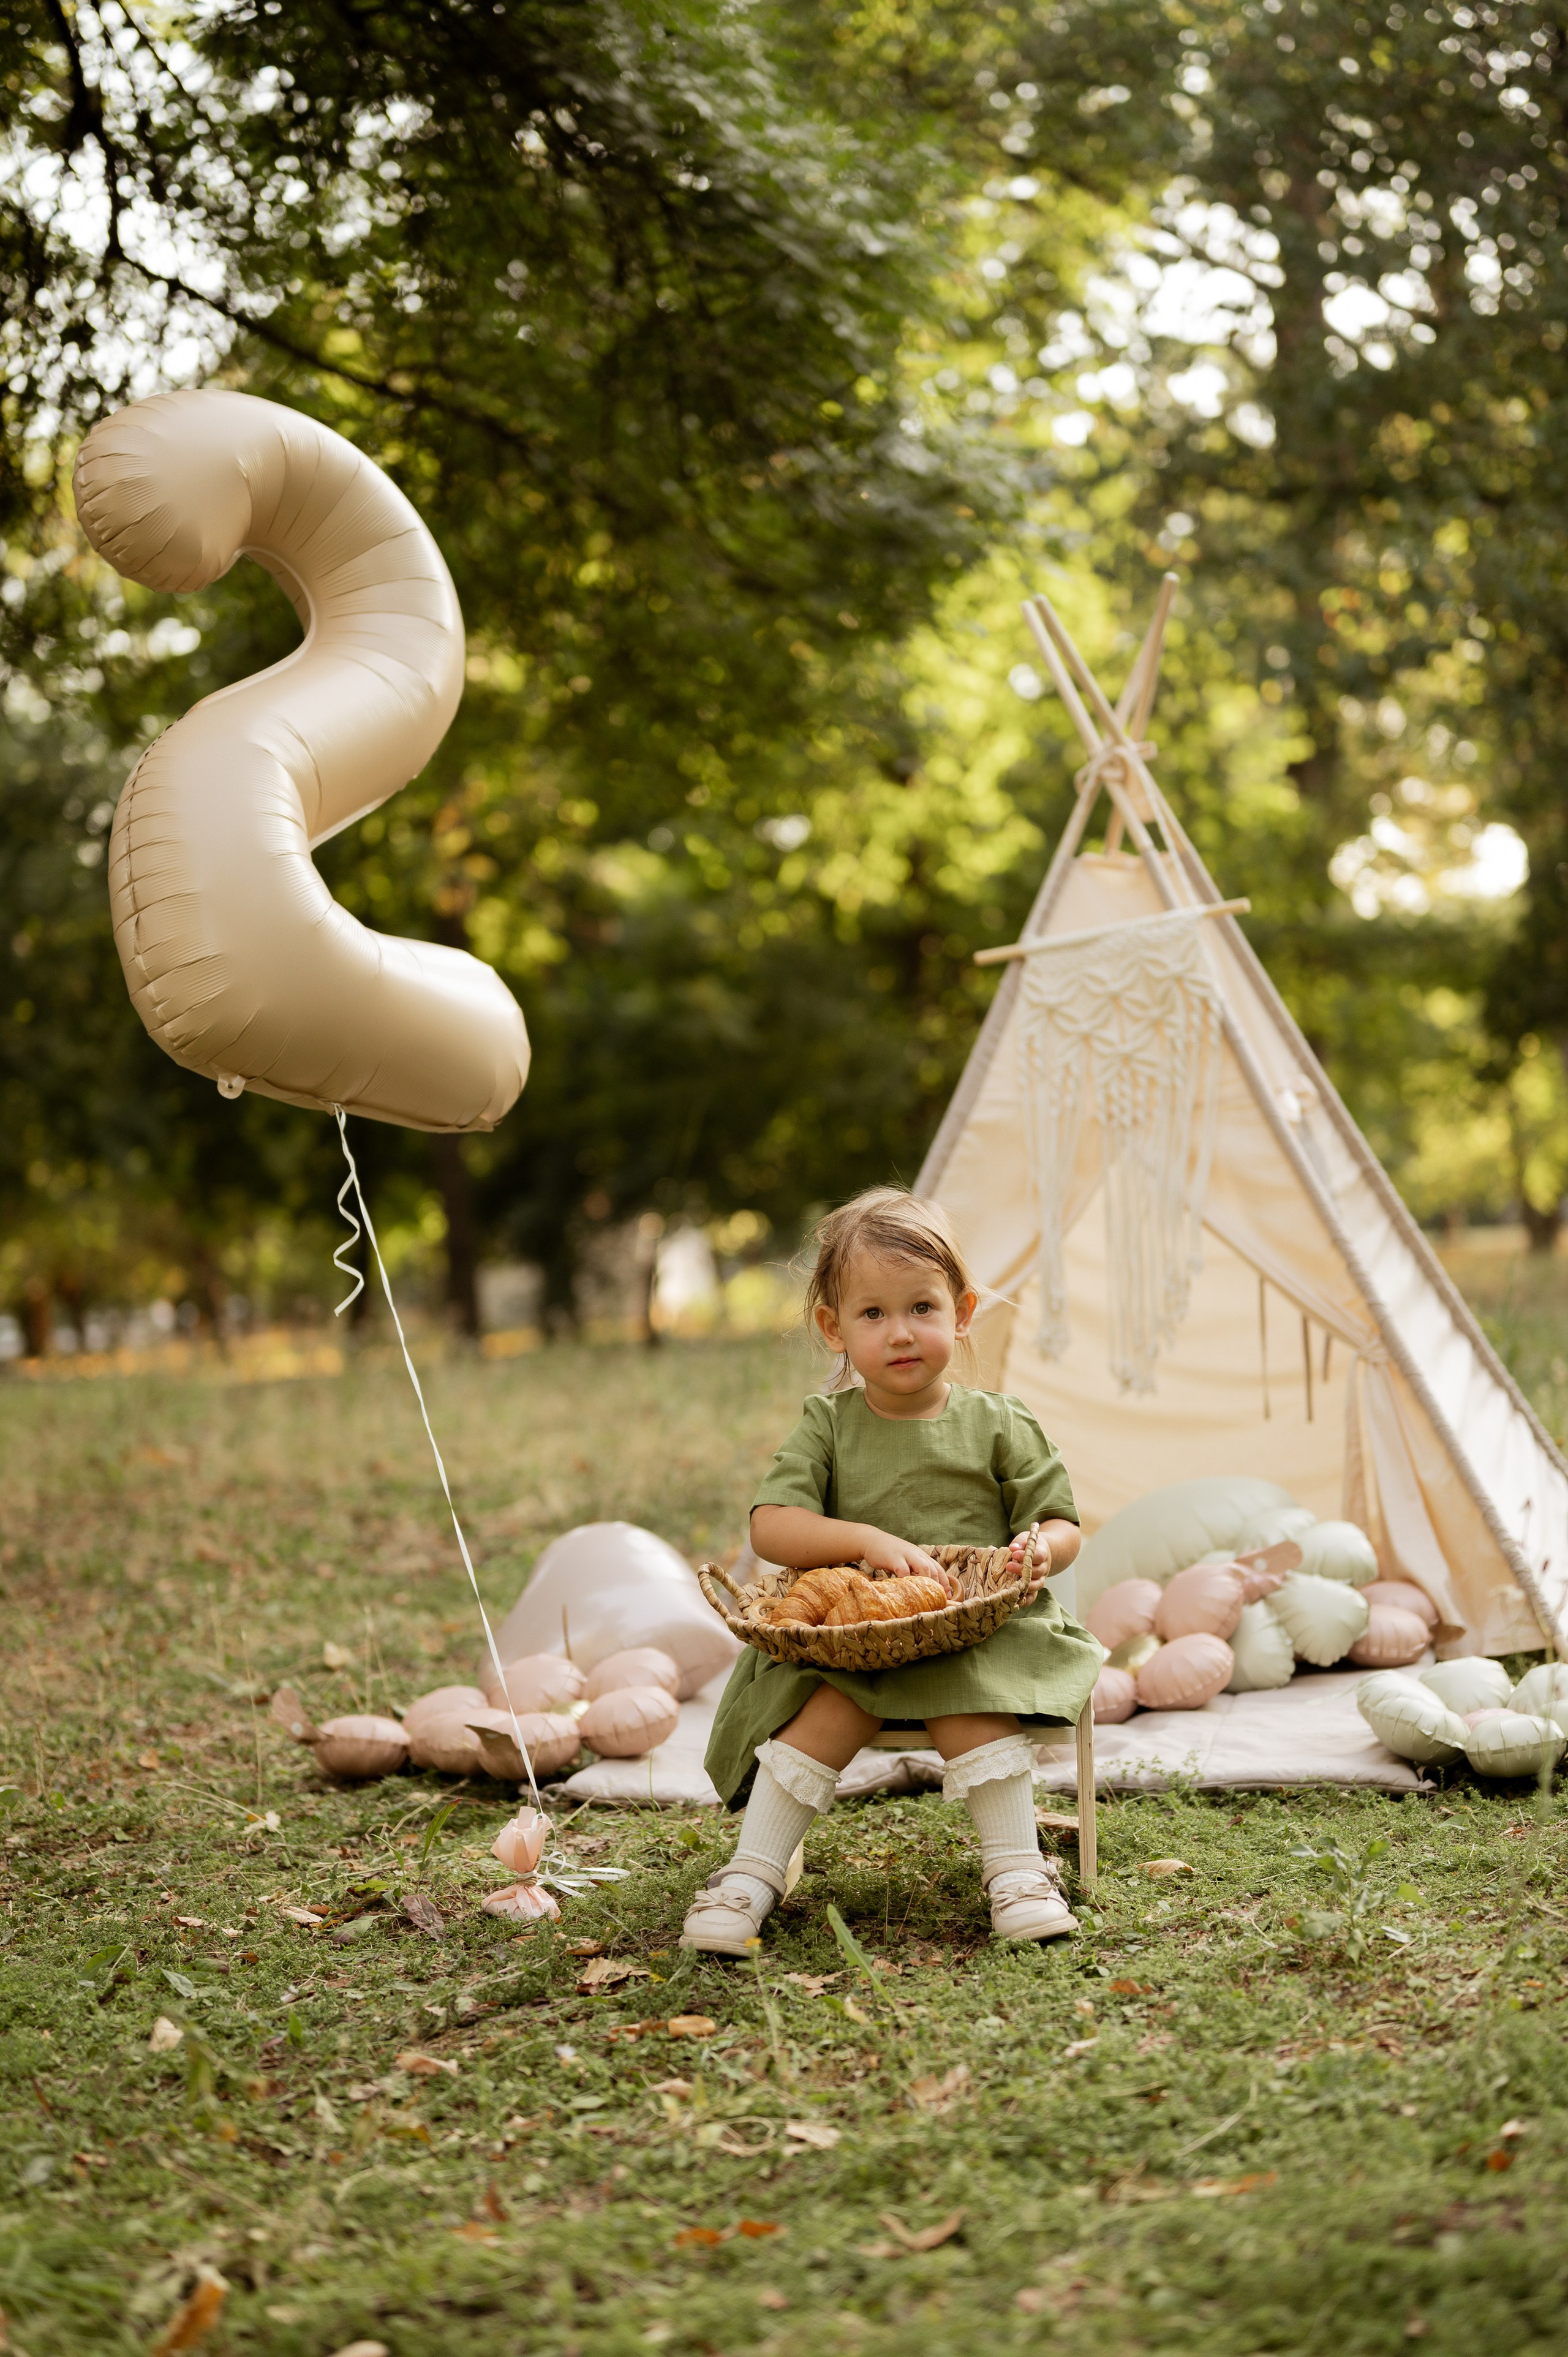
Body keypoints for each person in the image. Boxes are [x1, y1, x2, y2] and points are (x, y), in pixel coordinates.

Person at [684, 1187, 1101, 1955]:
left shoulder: (998, 1420)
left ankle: (1017, 1870)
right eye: (872, 1313)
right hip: (855, 1641)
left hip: (974, 1633)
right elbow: (770, 1526)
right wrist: (863, 1539)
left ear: (962, 1312)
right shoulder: (828, 1423)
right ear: (833, 1328)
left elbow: (1061, 1520)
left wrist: (1042, 1548)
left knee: (968, 1701)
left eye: (921, 1307)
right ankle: (751, 1872)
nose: (900, 1332)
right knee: (824, 1714)